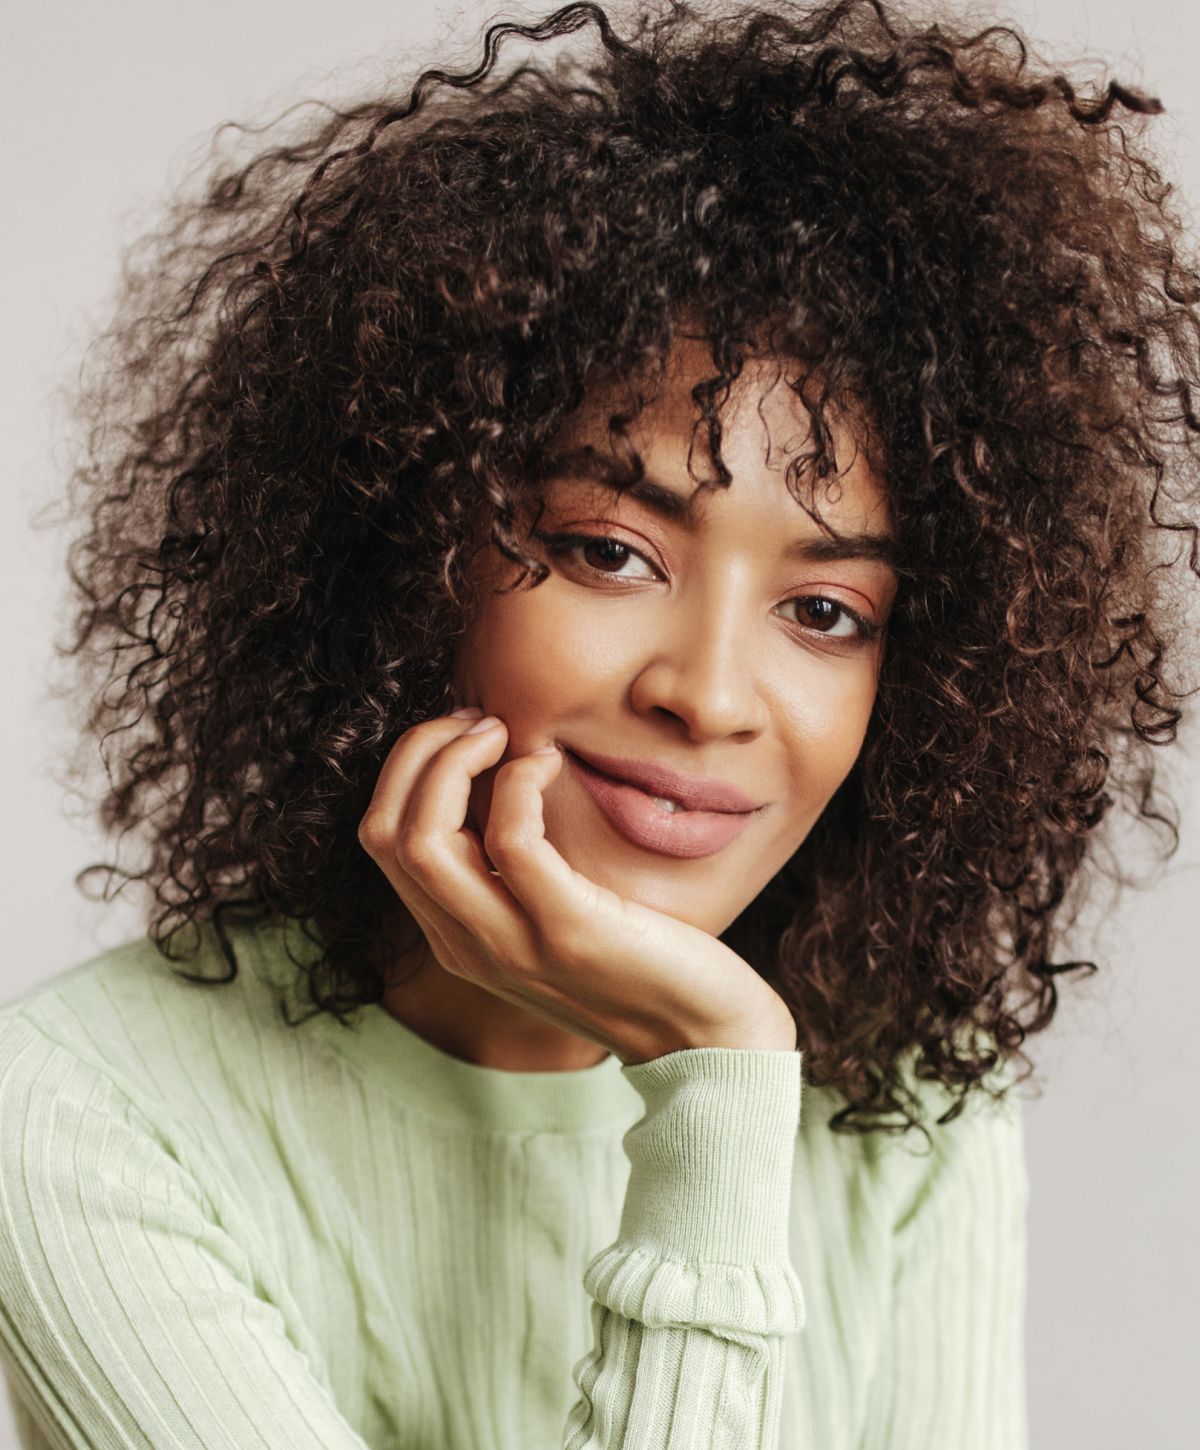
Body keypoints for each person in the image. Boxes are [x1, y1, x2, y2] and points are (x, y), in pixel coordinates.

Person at [1, 0, 1197, 1445]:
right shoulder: (79, 1116)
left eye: (826, 612)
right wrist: (717, 1104)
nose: (705, 689)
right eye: (608, 551)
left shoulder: (903, 1108)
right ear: (406, 550)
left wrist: (731, 1069)